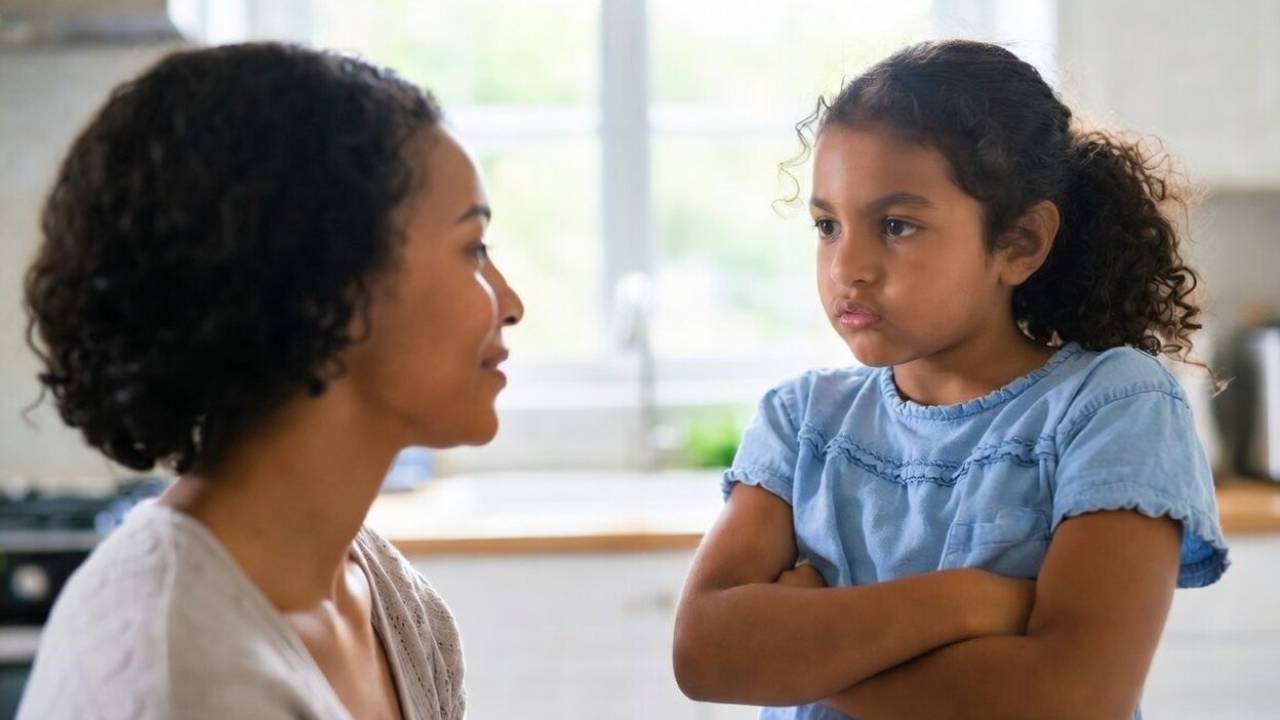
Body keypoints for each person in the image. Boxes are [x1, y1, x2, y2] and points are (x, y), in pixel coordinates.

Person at [673, 39, 1228, 720]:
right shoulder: (802, 423)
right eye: (827, 225)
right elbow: (704, 655)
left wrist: (800, 650)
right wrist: (965, 601)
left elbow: (1075, 697)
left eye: (897, 225)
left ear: (1019, 242)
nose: (848, 266)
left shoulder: (1111, 407)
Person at [19, 42, 523, 720]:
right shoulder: (178, 672)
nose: (511, 301)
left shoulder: (387, 597)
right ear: (327, 290)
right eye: (473, 250)